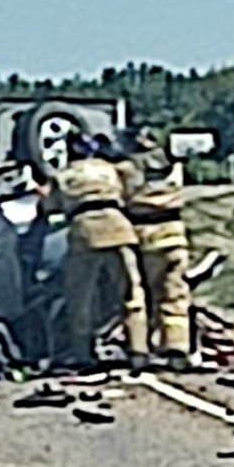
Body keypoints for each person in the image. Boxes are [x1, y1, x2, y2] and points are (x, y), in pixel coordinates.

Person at [42, 131, 149, 372]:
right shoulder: (110, 169)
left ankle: (83, 353)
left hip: (85, 231)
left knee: (80, 297)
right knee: (131, 293)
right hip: (119, 227)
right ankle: (138, 350)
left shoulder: (65, 175)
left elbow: (49, 207)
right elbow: (129, 192)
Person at [123, 127, 191, 369]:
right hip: (173, 233)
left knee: (137, 294)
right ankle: (177, 349)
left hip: (142, 233)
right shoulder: (173, 167)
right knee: (175, 293)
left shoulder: (127, 168)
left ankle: (138, 350)